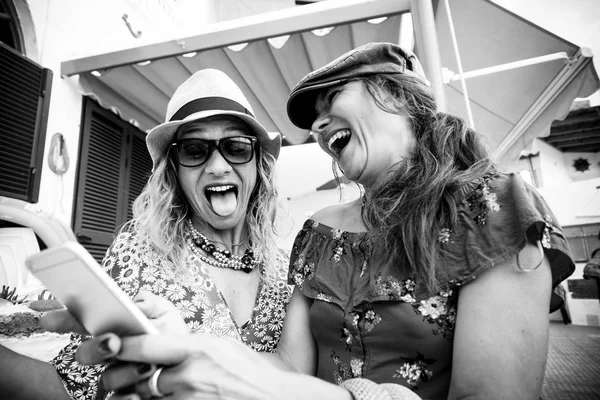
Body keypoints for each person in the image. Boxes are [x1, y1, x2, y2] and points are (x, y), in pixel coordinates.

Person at [49, 42, 575, 400]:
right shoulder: (320, 233)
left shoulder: (496, 210)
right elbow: (286, 369)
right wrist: (190, 351)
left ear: (398, 95)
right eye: (193, 150)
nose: (319, 125)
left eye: (332, 100)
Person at [0, 68, 293, 400]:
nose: (218, 166)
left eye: (237, 146)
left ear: (258, 163)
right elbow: (80, 388)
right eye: (195, 150)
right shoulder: (137, 256)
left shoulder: (285, 275)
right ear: (173, 170)